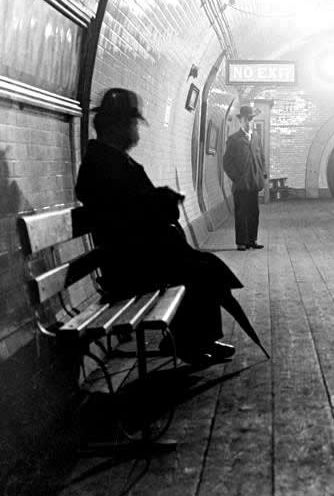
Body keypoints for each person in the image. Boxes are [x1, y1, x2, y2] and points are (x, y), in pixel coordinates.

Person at [76, 88, 240, 366]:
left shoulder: (107, 159)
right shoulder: (105, 164)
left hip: (133, 256)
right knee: (199, 270)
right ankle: (191, 343)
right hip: (129, 266)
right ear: (118, 126)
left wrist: (159, 200)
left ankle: (197, 340)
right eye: (133, 123)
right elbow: (131, 212)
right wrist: (162, 201)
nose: (136, 129)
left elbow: (134, 205)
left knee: (201, 266)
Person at [223, 104, 267, 251]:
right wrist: (237, 178)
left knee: (254, 212)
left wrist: (262, 174)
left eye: (250, 119)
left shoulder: (256, 138)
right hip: (241, 185)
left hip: (253, 182)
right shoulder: (233, 139)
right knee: (241, 213)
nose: (248, 122)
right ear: (240, 121)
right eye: (245, 119)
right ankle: (241, 242)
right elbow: (227, 163)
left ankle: (252, 240)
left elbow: (261, 158)